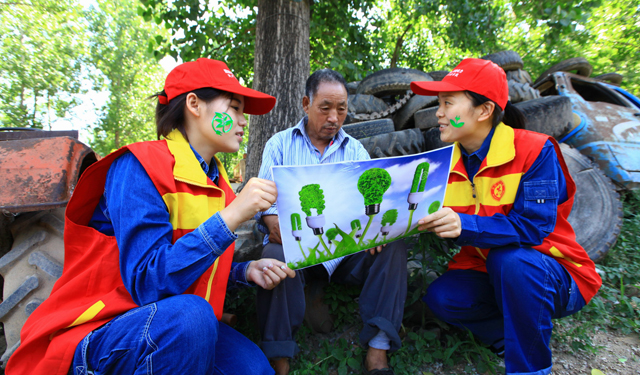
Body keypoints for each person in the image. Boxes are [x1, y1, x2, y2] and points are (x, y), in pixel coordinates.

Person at [6, 58, 296, 375]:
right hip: (100, 330)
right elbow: (148, 284)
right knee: (193, 316)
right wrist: (233, 215)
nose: (243, 121)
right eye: (235, 107)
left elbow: (190, 269)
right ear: (195, 104)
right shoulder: (138, 167)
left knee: (254, 369)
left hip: (170, 323)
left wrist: (245, 271)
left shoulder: (220, 187)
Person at [412, 58, 602, 375]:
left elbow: (533, 229)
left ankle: (531, 369)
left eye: (448, 103)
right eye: (438, 104)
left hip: (554, 274)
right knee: (443, 297)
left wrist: (465, 225)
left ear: (484, 111)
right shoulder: (442, 166)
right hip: (489, 271)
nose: (439, 114)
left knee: (510, 261)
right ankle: (505, 337)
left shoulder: (535, 150)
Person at [255, 69, 409, 375]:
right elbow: (264, 201)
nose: (334, 118)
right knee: (272, 258)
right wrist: (272, 220)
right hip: (296, 250)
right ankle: (279, 358)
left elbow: (368, 204)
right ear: (305, 104)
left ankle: (377, 351)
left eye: (341, 109)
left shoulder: (355, 149)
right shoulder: (280, 144)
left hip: (344, 250)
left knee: (393, 244)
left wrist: (378, 230)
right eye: (325, 108)